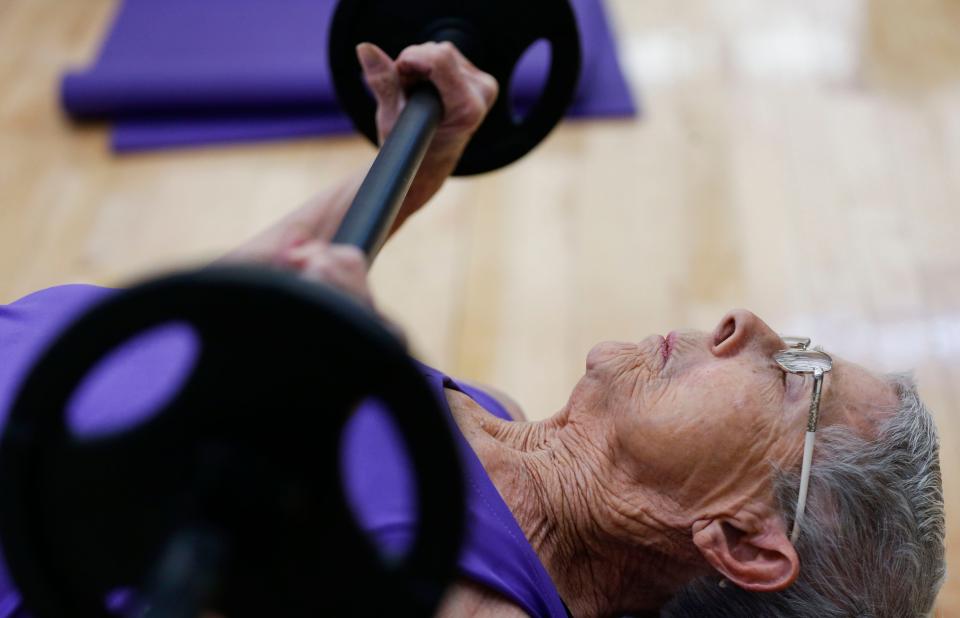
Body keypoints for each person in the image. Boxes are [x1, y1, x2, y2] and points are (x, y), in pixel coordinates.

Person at [0, 43, 945, 618]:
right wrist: (419, 165)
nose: (750, 322)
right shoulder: (501, 427)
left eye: (797, 374)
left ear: (741, 541)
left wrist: (304, 411)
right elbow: (204, 326)